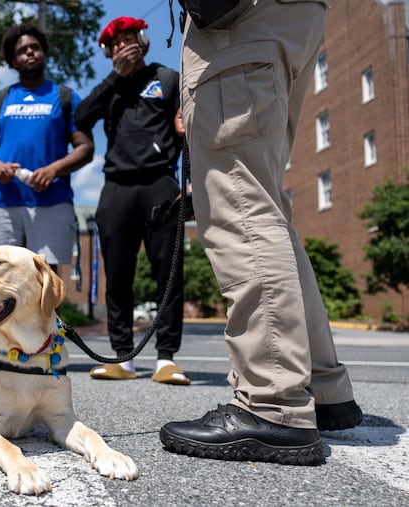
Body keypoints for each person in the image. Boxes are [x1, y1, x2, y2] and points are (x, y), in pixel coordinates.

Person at [159, 0, 363, 465]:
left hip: (236, 21)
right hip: (279, 17)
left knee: (241, 204)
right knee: (262, 203)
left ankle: (274, 403)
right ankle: (321, 386)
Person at [74, 17, 188, 384]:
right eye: (117, 42)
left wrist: (191, 182)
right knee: (118, 274)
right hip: (117, 187)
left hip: (160, 183)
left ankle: (166, 359)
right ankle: (122, 358)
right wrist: (114, 78)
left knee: (168, 273)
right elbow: (80, 118)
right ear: (110, 51)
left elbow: (190, 128)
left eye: (130, 38)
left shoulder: (168, 79)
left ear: (143, 40)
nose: (126, 45)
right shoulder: (110, 89)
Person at [0, 24, 94, 273]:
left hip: (52, 201)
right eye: (22, 50)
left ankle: (48, 316)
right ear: (13, 61)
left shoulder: (65, 97)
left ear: (44, 53)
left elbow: (85, 147)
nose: (30, 53)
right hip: (1, 202)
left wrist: (53, 170)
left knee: (45, 278)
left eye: (35, 47)